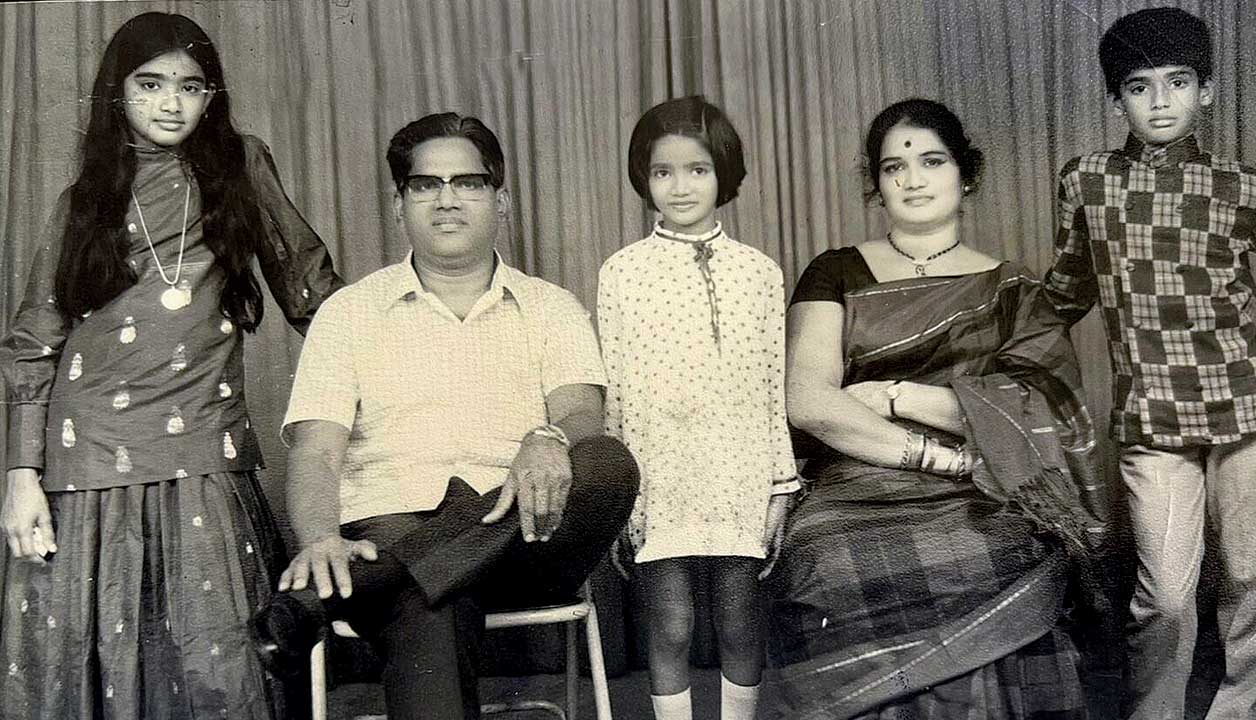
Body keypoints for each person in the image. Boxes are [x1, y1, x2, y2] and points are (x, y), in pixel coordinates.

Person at [0, 12, 342, 720]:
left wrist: (404, 350)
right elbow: (34, 341)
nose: (169, 103)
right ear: (116, 94)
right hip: (86, 460)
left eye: (189, 87)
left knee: (217, 659)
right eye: (150, 85)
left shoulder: (241, 168)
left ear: (211, 97)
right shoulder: (83, 202)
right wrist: (20, 477)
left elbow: (312, 290)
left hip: (201, 448)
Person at [252, 112, 639, 720]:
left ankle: (365, 585)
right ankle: (401, 574)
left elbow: (582, 416)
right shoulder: (348, 313)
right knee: (431, 600)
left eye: (469, 182)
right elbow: (317, 451)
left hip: (526, 539)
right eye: (426, 185)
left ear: (501, 199)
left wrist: (545, 436)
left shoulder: (551, 307)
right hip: (386, 530)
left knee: (608, 462)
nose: (447, 199)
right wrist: (323, 537)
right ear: (399, 203)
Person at [770, 98, 1108, 719]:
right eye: (894, 167)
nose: (913, 178)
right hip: (859, 478)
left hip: (984, 478)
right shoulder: (835, 272)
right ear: (876, 186)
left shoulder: (1013, 288)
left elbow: (1042, 411)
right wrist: (935, 454)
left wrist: (901, 395)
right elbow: (810, 403)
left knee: (1004, 548)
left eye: (931, 160)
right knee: (827, 562)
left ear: (966, 174)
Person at [1040, 7, 1256, 719]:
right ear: (1117, 100)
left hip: (1250, 410)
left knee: (1253, 579)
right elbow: (1067, 288)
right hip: (1151, 414)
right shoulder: (1086, 181)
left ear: (1205, 91)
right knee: (1167, 596)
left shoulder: (1249, 186)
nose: (1161, 101)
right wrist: (995, 338)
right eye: (1140, 87)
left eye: (1178, 83)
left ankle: (1239, 711)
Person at [597, 95, 798, 720]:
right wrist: (621, 493)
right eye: (663, 172)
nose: (679, 187)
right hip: (661, 475)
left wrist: (779, 484)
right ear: (644, 179)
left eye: (697, 170)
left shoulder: (760, 273)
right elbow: (617, 392)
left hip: (738, 471)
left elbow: (772, 386)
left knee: (740, 621)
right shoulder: (622, 272)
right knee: (671, 624)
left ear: (724, 175)